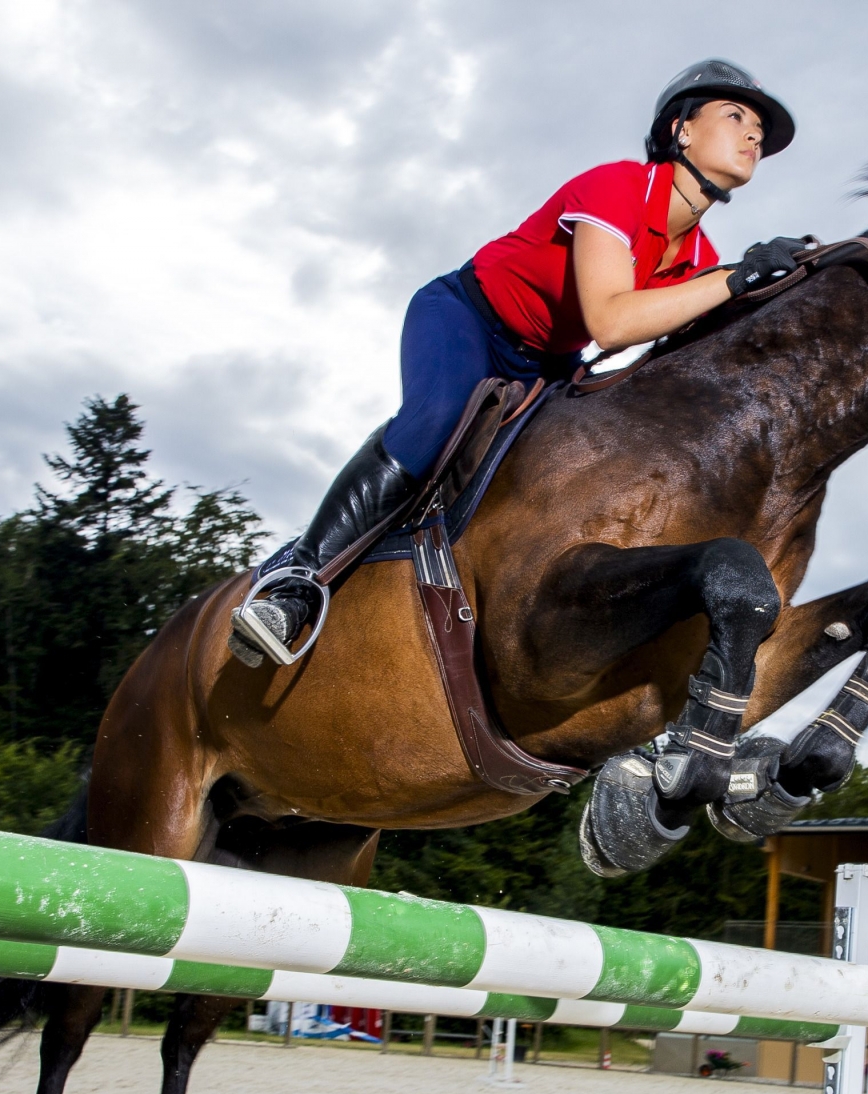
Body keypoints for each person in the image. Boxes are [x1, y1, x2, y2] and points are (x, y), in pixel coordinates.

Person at [230, 58, 806, 667]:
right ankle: (294, 579)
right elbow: (611, 322)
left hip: (547, 361)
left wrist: (779, 289)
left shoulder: (701, 256)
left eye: (760, 133)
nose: (754, 136)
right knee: (437, 420)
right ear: (681, 129)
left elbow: (663, 353)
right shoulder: (617, 186)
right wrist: (734, 277)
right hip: (467, 318)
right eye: (737, 116)